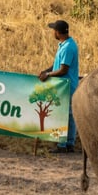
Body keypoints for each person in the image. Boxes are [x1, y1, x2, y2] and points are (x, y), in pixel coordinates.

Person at [39, 19, 79, 153]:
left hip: (65, 86)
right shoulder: (65, 44)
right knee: (68, 115)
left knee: (62, 115)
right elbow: (57, 64)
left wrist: (48, 75)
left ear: (58, 32)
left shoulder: (68, 47)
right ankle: (69, 143)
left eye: (54, 31)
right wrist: (47, 70)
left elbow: (63, 69)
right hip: (66, 85)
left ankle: (62, 144)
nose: (53, 33)